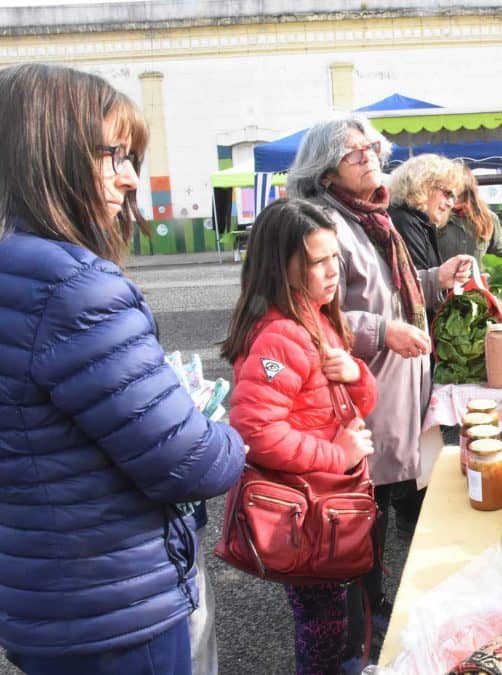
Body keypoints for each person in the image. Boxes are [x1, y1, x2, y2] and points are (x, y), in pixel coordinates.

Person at [0, 63, 245, 674]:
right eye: (115, 155)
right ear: (50, 153)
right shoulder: (73, 285)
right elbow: (188, 459)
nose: (131, 178)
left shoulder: (15, 269)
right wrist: (230, 434)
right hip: (115, 606)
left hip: (40, 595)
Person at [286, 115, 472, 666]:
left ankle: (373, 612)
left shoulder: (375, 215)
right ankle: (362, 627)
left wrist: (435, 280)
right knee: (360, 515)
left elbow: (391, 290)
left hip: (393, 386)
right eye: (354, 152)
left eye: (371, 146)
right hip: (359, 395)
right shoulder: (323, 222)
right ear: (324, 171)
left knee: (379, 510)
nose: (369, 155)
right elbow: (308, 314)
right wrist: (381, 331)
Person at [221, 198, 378, 675]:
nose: (333, 271)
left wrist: (354, 373)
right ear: (281, 266)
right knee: (322, 627)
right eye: (317, 261)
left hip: (326, 506)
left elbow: (357, 402)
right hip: (310, 512)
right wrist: (338, 453)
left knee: (333, 620)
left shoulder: (318, 317)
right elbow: (256, 432)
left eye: (335, 257)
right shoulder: (280, 337)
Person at [386, 153, 461, 271]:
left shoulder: (417, 221)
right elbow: (417, 281)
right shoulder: (404, 221)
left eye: (453, 197)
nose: (450, 204)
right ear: (423, 185)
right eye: (448, 193)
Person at [438, 163, 502, 262]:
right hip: (441, 277)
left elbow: (501, 256)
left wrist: (489, 275)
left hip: (479, 277)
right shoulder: (436, 217)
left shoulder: (488, 218)